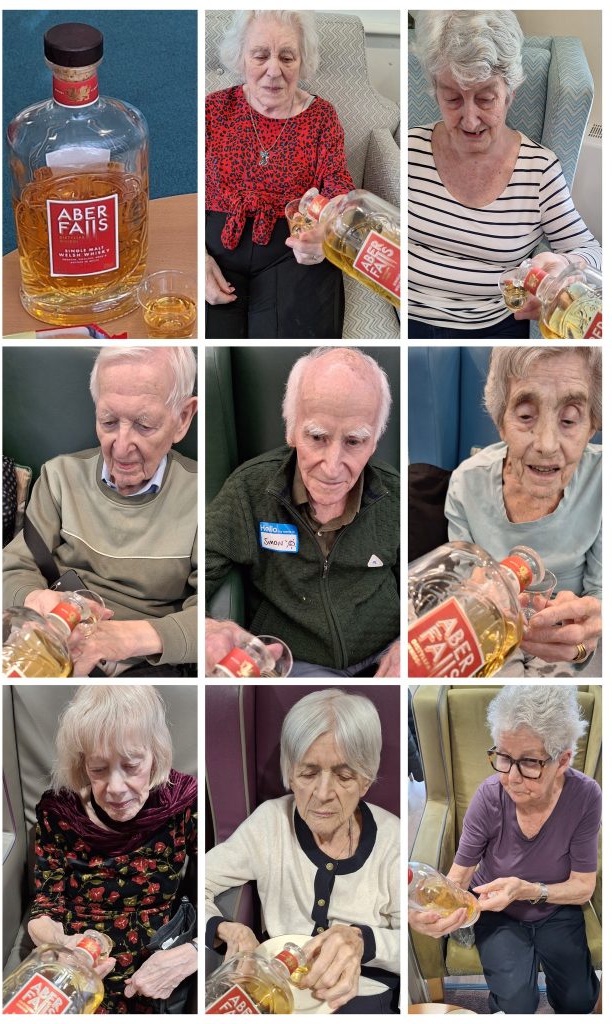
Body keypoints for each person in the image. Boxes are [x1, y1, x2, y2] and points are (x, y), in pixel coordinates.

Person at [3, 347, 198, 675]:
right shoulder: (59, 477)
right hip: (54, 640)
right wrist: (34, 599)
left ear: (182, 419)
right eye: (108, 421)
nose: (121, 446)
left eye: (144, 425)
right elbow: (13, 568)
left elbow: (212, 616)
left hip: (149, 662)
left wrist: (127, 638)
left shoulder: (201, 497)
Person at [206, 347, 400, 676]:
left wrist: (406, 644)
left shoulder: (396, 496)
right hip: (292, 666)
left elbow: (428, 591)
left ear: (375, 441)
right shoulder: (249, 491)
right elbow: (194, 579)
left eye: (354, 441)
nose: (333, 465)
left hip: (386, 658)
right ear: (292, 430)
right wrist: (209, 628)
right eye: (317, 437)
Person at [408, 11, 601, 338]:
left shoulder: (538, 169)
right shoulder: (410, 149)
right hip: (406, 316)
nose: (470, 120)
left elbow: (593, 252)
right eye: (452, 98)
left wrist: (567, 267)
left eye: (486, 99)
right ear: (435, 90)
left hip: (492, 326)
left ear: (510, 92)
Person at [205, 689, 400, 1013]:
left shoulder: (392, 839)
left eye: (344, 775)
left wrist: (362, 942)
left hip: (361, 992)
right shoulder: (269, 822)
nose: (322, 794)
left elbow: (410, 937)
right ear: (291, 774)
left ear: (365, 781)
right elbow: (201, 882)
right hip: (275, 986)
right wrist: (228, 928)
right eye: (308, 773)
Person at [409, 685, 599, 1014]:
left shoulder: (585, 797)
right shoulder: (488, 797)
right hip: (498, 913)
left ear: (563, 760)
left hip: (556, 908)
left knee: (579, 1000)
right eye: (503, 757)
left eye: (528, 763)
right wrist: (435, 909)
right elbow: (461, 873)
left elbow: (583, 886)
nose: (510, 777)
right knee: (517, 1003)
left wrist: (526, 890)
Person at [27, 685, 198, 1013]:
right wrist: (62, 945)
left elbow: (211, 884)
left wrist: (191, 951)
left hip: (157, 968)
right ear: (82, 764)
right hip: (82, 966)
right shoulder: (60, 814)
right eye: (99, 769)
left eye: (132, 765)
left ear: (155, 755)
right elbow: (45, 905)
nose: (116, 788)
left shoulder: (183, 805)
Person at [446, 347, 601, 674]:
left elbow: (601, 595)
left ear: (592, 426)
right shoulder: (465, 483)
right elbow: (459, 589)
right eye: (526, 415)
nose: (546, 444)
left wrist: (585, 636)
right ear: (501, 422)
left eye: (569, 419)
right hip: (494, 632)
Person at [205, 11, 354, 339]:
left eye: (287, 57)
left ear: (302, 61)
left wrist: (324, 238)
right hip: (215, 250)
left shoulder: (321, 117)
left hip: (291, 251)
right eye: (260, 55)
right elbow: (184, 192)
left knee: (294, 346)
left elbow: (339, 184)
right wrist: (196, 260)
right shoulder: (213, 110)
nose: (274, 70)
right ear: (241, 58)